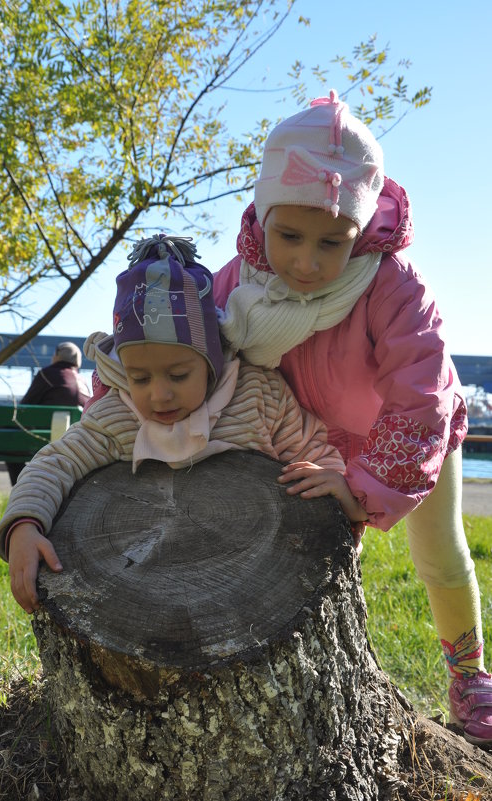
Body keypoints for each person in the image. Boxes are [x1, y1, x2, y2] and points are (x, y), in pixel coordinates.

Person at [211, 89, 492, 747]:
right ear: (261, 212)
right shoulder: (234, 286)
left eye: (331, 243)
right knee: (318, 558)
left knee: (439, 556)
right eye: (289, 236)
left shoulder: (390, 284)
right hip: (314, 438)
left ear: (360, 231)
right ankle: (327, 677)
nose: (307, 262)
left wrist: (366, 487)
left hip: (409, 436)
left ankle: (470, 675)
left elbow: (418, 399)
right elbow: (189, 348)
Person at [0, 234, 359, 618]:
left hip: (259, 575)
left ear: (212, 360)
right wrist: (24, 525)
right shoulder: (118, 417)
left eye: (179, 374)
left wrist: (339, 489)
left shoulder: (257, 396)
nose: (159, 395)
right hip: (146, 587)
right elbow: (54, 463)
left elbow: (310, 452)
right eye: (140, 378)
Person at [6, 341, 91, 485]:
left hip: (43, 441)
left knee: (7, 443)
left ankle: (25, 484)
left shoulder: (46, 374)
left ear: (57, 356)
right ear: (78, 361)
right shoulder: (83, 381)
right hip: (77, 443)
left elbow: (24, 409)